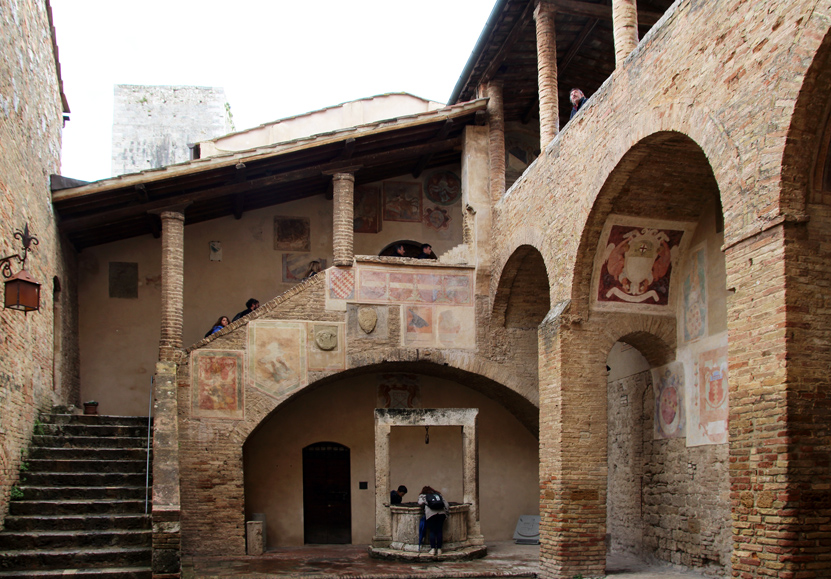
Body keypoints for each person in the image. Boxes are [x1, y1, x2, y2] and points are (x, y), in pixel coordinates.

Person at [418, 486, 449, 556]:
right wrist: (446, 514)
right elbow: (446, 504)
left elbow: (420, 503)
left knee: (432, 531)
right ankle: (439, 549)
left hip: (431, 514)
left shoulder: (423, 495)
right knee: (439, 530)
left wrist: (425, 506)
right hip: (441, 514)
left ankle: (432, 549)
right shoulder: (438, 495)